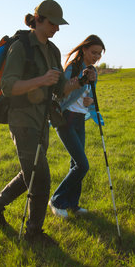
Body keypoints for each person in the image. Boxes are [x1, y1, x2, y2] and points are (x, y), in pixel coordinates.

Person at [0, 0, 95, 245]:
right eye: (54, 23)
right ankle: (34, 233)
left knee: (30, 173)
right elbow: (10, 86)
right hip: (22, 119)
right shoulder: (21, 47)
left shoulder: (53, 51)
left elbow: (61, 89)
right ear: (40, 19)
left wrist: (81, 81)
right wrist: (41, 80)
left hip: (43, 119)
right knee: (41, 176)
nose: (57, 28)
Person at [48, 35, 105, 218]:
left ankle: (72, 204)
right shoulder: (73, 67)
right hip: (65, 118)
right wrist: (80, 80)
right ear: (84, 49)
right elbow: (61, 92)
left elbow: (87, 97)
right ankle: (56, 200)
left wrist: (89, 102)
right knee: (82, 165)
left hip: (80, 119)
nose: (96, 56)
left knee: (75, 163)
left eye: (99, 54)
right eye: (93, 52)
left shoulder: (92, 71)